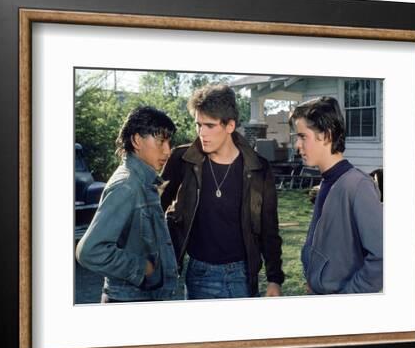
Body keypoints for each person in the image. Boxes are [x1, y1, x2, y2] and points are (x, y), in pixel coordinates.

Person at [161, 84, 283, 299]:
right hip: (199, 273)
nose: (201, 133)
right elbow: (155, 210)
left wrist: (274, 279)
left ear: (230, 126)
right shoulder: (182, 160)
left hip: (242, 275)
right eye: (198, 125)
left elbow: (269, 227)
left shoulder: (258, 168)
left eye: (209, 125)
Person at [76, 106, 179, 302]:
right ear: (137, 140)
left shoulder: (142, 181)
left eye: (169, 142)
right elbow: (89, 251)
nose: (168, 150)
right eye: (161, 141)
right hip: (130, 300)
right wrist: (142, 268)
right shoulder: (127, 185)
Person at [289, 96, 383, 294]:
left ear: (326, 135)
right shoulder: (327, 181)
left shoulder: (357, 186)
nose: (297, 145)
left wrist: (346, 299)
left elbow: (382, 257)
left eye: (302, 136)